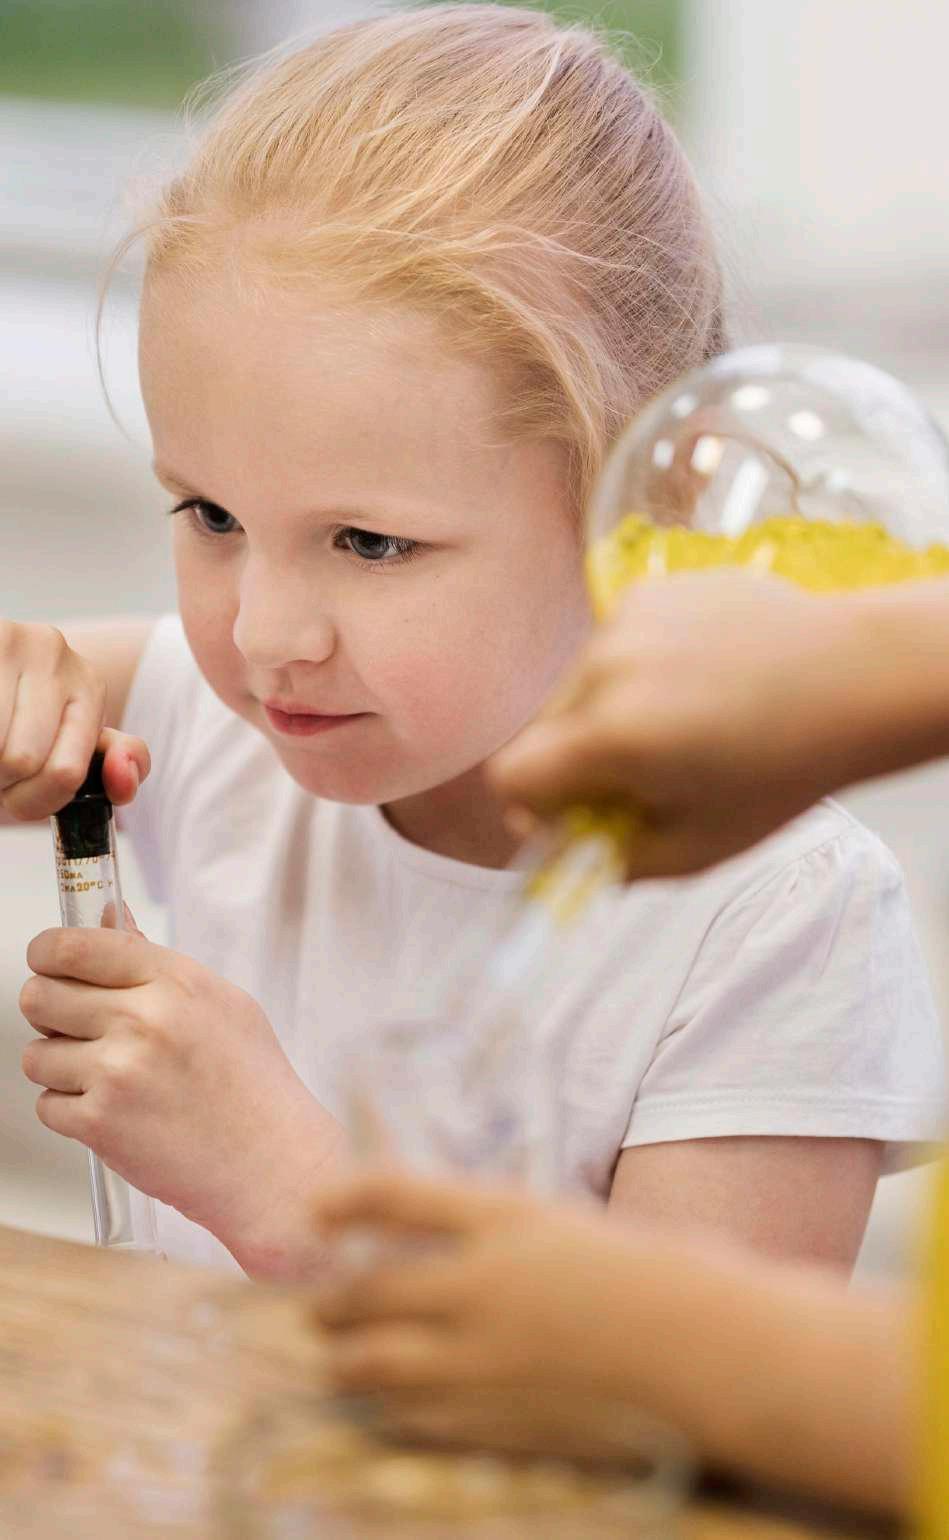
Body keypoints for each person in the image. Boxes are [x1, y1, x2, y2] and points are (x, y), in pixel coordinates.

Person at [1, 7, 942, 1276]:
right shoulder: (211, 722)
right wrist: (25, 686)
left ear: (648, 495)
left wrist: (283, 1183)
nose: (265, 635)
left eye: (370, 542)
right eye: (211, 515)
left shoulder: (777, 921)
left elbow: (680, 1389)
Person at [312, 570, 949, 1518]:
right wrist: (887, 658)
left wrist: (666, 1350)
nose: (270, 636)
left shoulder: (796, 893)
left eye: (374, 543)